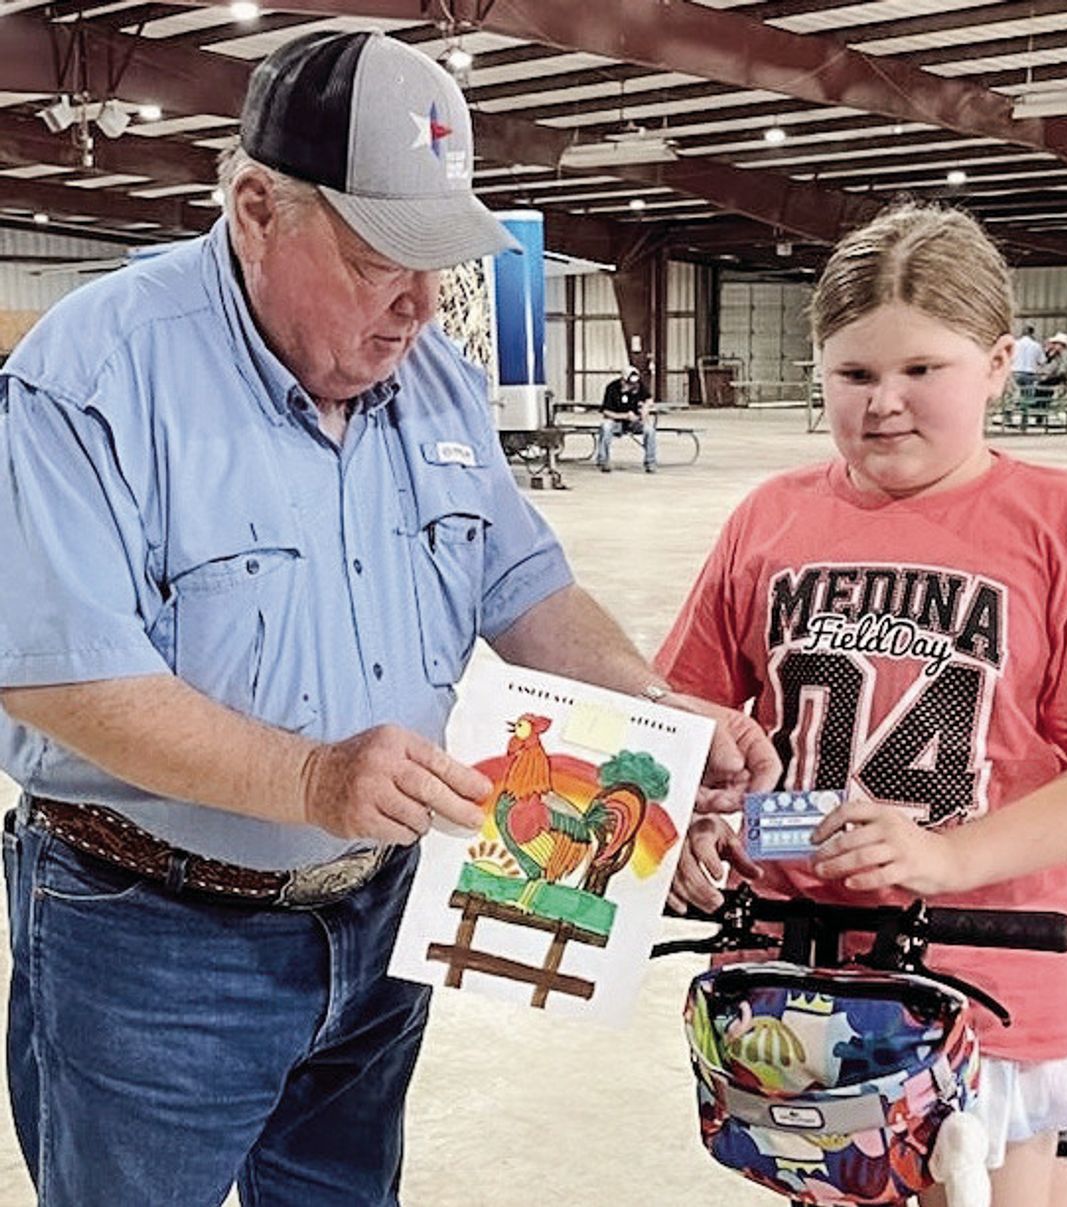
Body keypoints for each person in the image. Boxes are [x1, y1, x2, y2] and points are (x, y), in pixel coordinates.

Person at [0, 32, 777, 1207]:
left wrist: (659, 710)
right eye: (380, 262)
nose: (419, 305)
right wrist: (311, 779)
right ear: (259, 209)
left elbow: (527, 588)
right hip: (155, 942)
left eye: (440, 266)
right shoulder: (95, 378)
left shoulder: (434, 379)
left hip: (380, 922)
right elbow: (63, 679)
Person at [657, 203, 1067, 1207]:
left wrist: (952, 856)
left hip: (986, 969)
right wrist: (681, 823)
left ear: (1001, 363)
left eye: (924, 370)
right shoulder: (771, 516)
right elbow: (683, 711)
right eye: (855, 374)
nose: (885, 403)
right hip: (797, 970)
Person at [596, 364, 658, 473]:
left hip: (635, 422)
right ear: (623, 381)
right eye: (630, 384)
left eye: (635, 384)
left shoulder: (639, 386)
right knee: (605, 427)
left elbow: (649, 399)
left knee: (650, 430)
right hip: (617, 422)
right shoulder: (612, 388)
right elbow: (605, 411)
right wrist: (625, 416)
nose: (633, 386)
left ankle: (650, 462)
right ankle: (603, 460)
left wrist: (646, 407)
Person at [1011, 323, 1043, 397]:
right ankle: (1025, 406)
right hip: (1029, 373)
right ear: (1032, 333)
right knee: (1027, 396)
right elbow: (1042, 361)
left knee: (1015, 395)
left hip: (1015, 372)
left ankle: (1015, 406)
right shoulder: (1037, 345)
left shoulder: (1015, 344)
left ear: (1022, 333)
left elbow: (1010, 358)